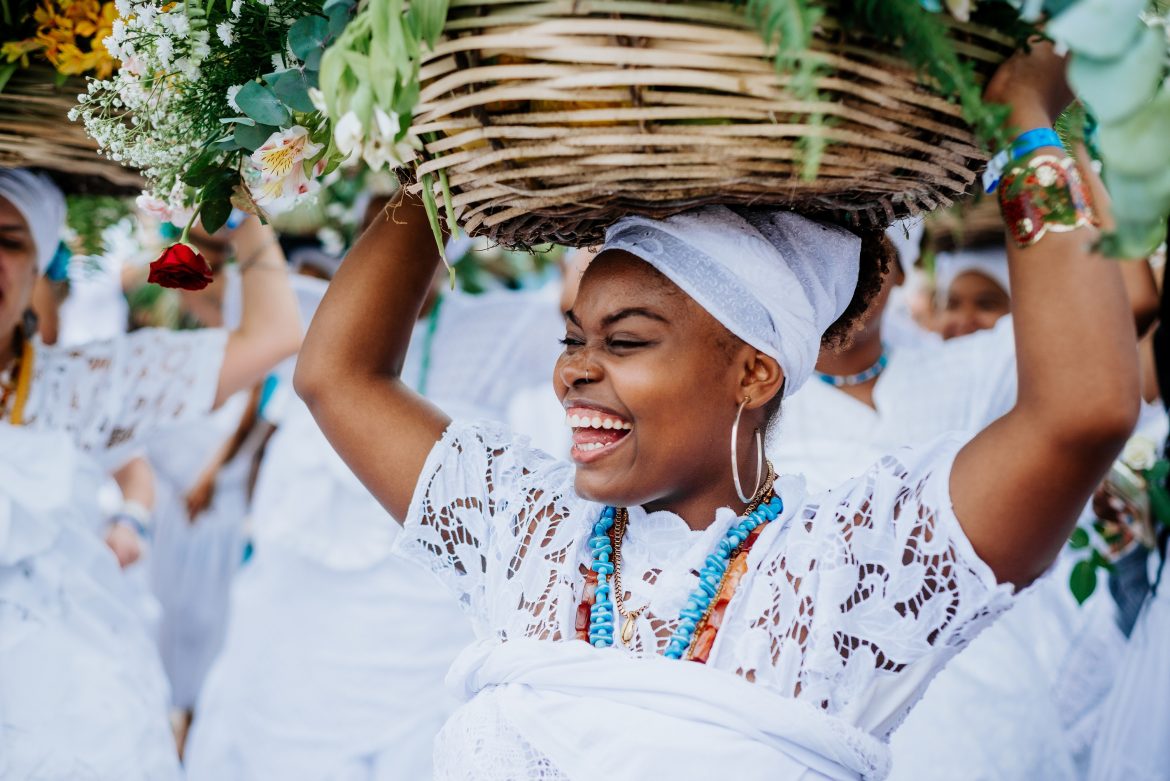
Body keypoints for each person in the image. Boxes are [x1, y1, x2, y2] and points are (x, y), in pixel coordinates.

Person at [294, 47, 1139, 779]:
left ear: (754, 373)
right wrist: (446, 160)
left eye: (624, 342)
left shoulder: (848, 568)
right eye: (573, 337)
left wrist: (1025, 124)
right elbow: (338, 376)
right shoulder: (526, 531)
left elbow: (1083, 410)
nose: (574, 373)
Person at [184, 198, 563, 780]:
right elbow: (182, 282)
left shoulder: (500, 328)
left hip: (419, 627)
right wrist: (218, 207)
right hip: (296, 617)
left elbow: (593, 317)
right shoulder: (305, 310)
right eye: (372, 231)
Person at [0, 167, 301, 774]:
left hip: (66, 714)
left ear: (38, 270)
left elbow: (275, 334)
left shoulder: (82, 385)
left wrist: (240, 198)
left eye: (8, 241)